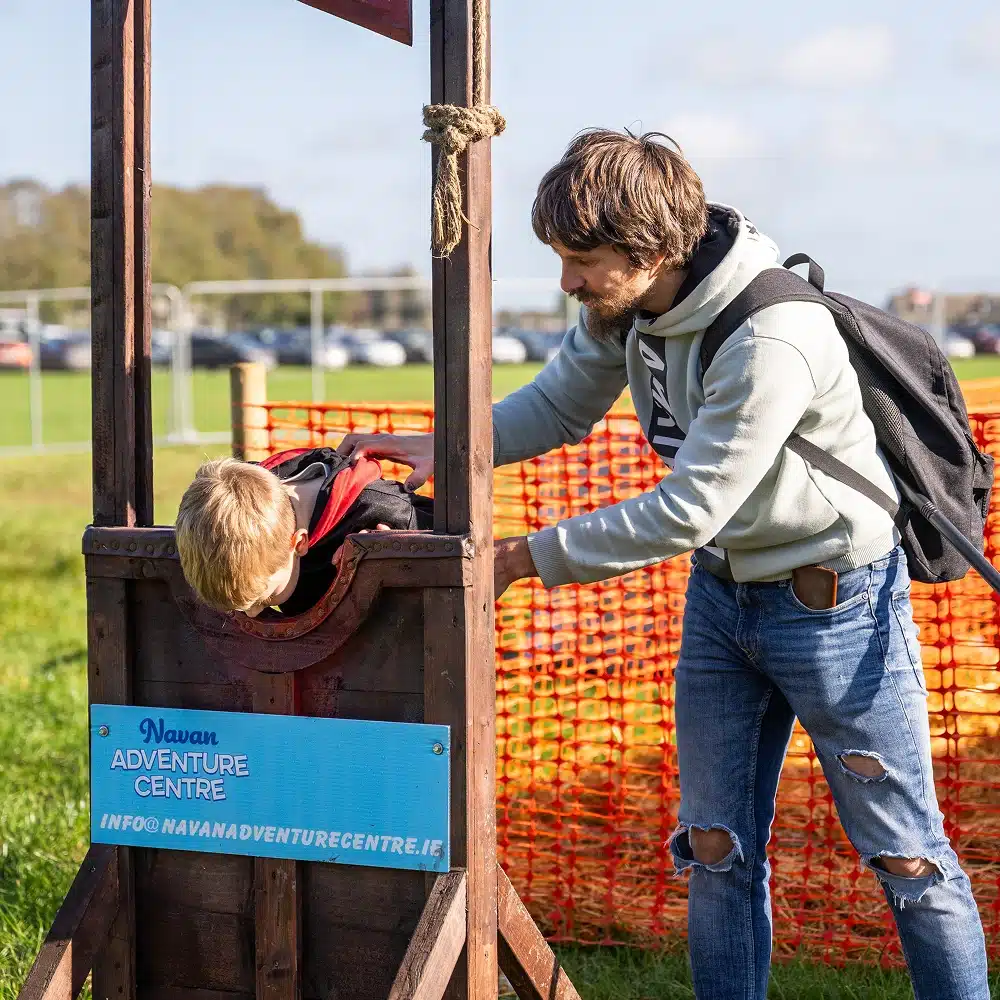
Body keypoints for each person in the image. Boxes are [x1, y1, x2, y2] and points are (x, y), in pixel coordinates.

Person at [336, 129, 989, 999]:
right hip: (724, 602)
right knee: (715, 846)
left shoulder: (771, 335)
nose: (567, 280)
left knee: (907, 856)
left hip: (836, 607)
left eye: (581, 259)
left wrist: (523, 558)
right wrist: (445, 447)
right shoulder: (627, 306)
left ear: (649, 251)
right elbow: (558, 409)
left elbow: (690, 508)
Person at [175, 447, 432, 618]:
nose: (254, 617)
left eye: (266, 599)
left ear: (299, 543)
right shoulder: (238, 500)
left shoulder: (388, 512)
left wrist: (401, 558)